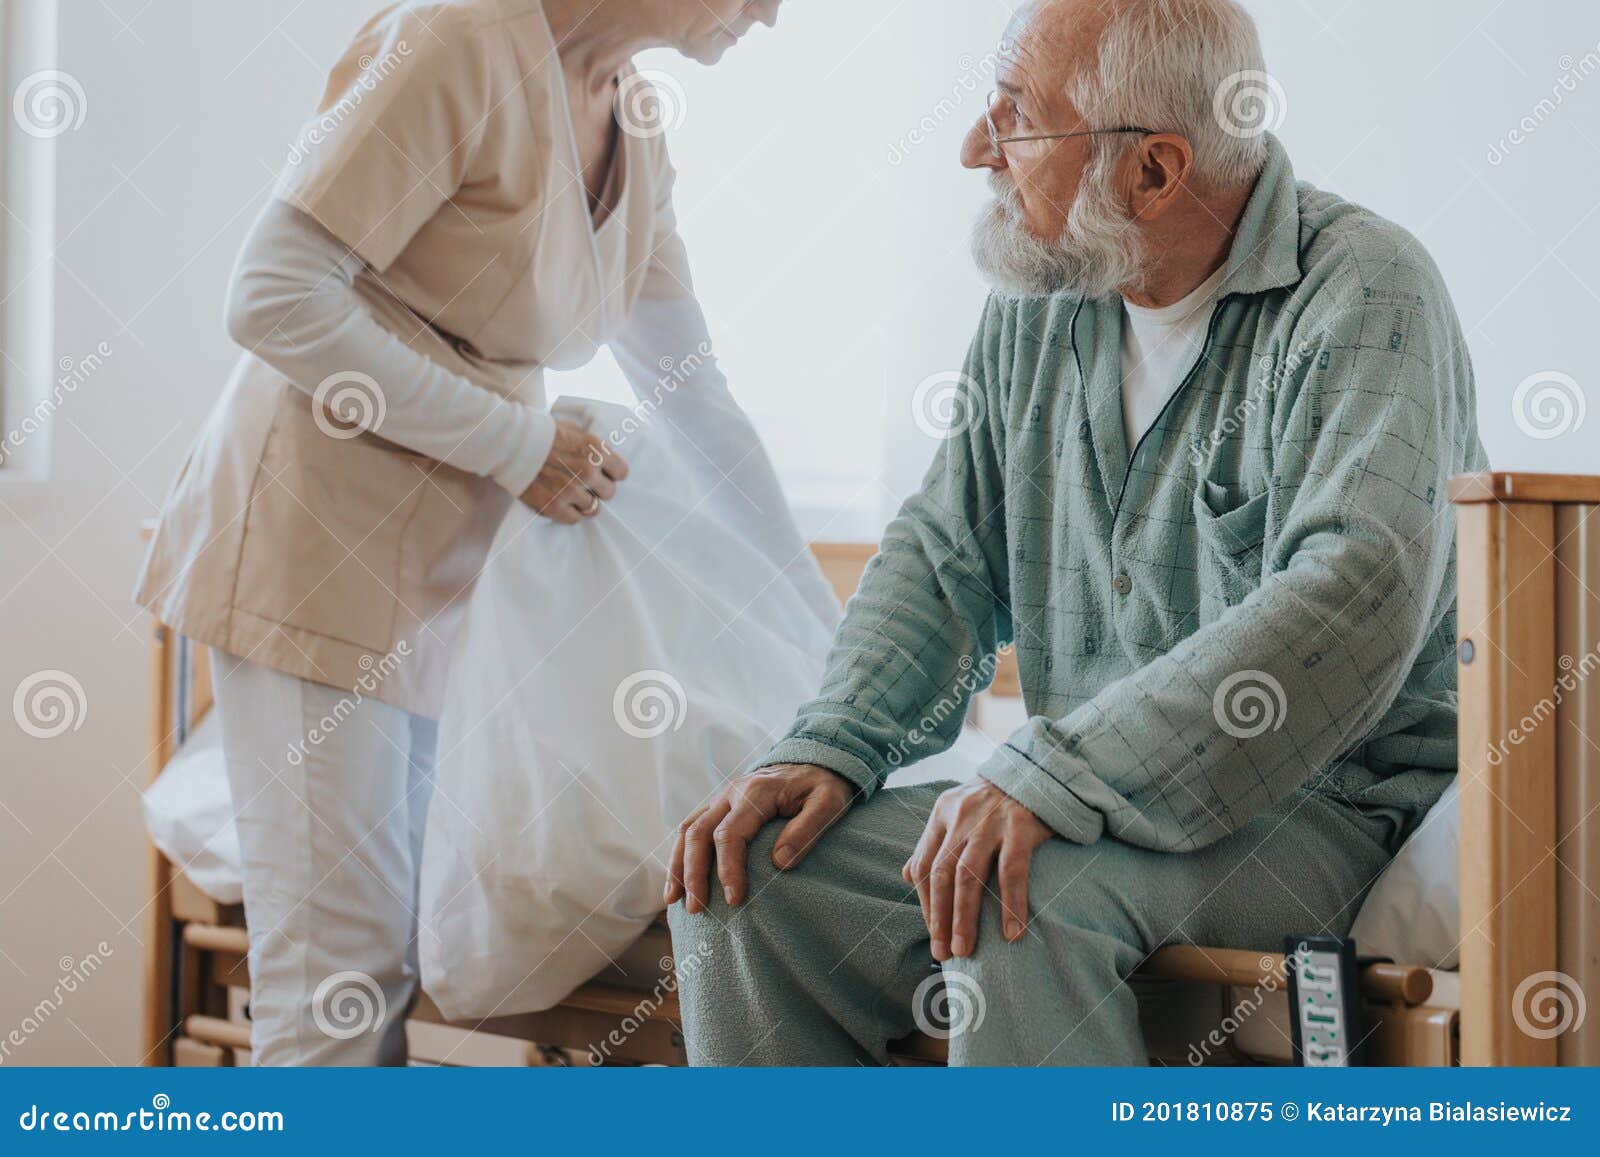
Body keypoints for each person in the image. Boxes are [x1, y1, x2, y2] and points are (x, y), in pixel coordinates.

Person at [666, 0, 1487, 1065]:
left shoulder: (1367, 292)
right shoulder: (1045, 294)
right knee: (743, 880)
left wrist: (1060, 776)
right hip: (1079, 791)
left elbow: (1351, 591)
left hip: (1315, 800)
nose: (975, 149)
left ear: (1153, 170)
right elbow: (946, 551)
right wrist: (834, 739)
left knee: (1018, 894)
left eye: (1014, 119)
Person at [134, 0, 812, 1066]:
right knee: (339, 973)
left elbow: (693, 395)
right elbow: (272, 294)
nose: (773, 14)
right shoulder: (456, 39)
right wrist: (516, 444)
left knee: (389, 951)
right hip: (312, 545)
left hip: (449, 574)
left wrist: (822, 627)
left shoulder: (630, 112)